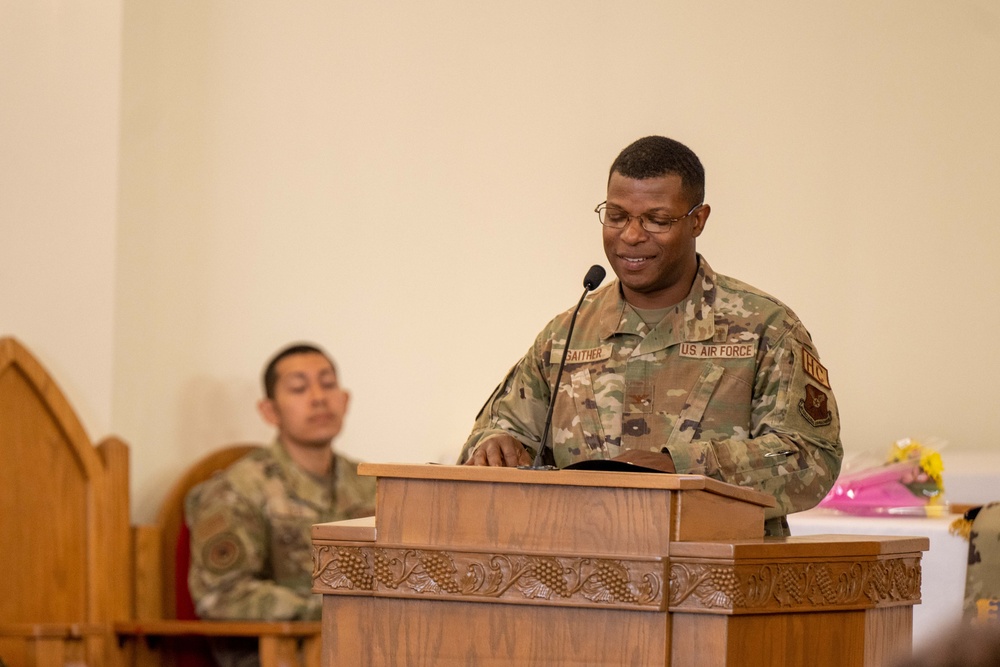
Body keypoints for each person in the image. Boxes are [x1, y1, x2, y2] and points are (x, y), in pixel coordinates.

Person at [458, 135, 843, 536]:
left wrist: (679, 469)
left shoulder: (765, 328)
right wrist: (493, 444)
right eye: (617, 215)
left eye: (657, 220)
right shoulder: (566, 335)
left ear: (698, 219)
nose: (631, 235)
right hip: (582, 574)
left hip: (718, 581)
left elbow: (812, 458)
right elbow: (492, 437)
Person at [185, 343, 375, 665]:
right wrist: (330, 610)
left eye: (328, 384)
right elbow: (223, 595)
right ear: (269, 411)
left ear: (344, 400)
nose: (318, 397)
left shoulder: (371, 486)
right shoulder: (239, 489)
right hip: (277, 656)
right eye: (299, 388)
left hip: (363, 648)